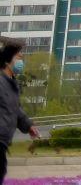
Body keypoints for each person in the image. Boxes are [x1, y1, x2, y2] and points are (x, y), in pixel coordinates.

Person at [0, 39, 38, 183]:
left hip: (3, 141)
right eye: (18, 56)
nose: (21, 59)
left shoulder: (11, 83)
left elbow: (16, 108)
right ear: (7, 61)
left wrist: (28, 125)